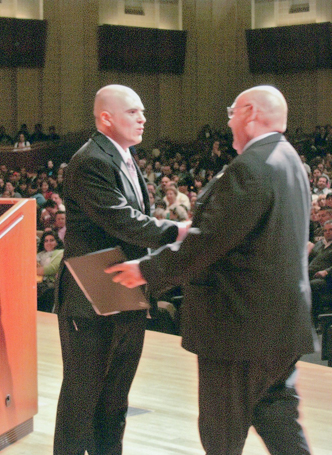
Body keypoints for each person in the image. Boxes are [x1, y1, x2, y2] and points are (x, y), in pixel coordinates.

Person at [107, 86, 314, 454]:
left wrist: (147, 270)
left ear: (250, 113)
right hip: (279, 325)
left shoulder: (251, 168)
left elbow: (209, 243)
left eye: (232, 112)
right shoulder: (289, 159)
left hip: (239, 328)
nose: (229, 121)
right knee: (278, 417)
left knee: (221, 435)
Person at [52, 84, 186, 455]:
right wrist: (178, 231)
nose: (143, 118)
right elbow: (123, 220)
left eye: (143, 111)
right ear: (105, 118)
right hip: (91, 292)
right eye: (132, 112)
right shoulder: (91, 160)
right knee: (82, 400)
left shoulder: (122, 156)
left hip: (121, 284)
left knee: (114, 398)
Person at [36, 231, 63, 312]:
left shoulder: (60, 253)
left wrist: (32, 271)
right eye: (46, 241)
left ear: (57, 242)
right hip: (36, 284)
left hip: (50, 286)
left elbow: (52, 269)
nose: (48, 243)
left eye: (51, 240)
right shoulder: (39, 254)